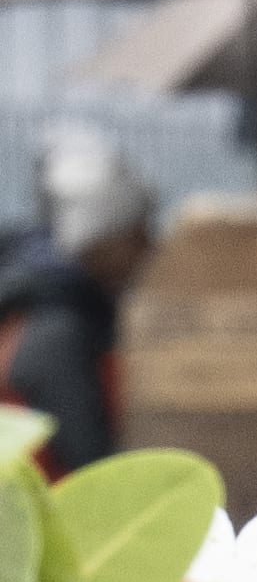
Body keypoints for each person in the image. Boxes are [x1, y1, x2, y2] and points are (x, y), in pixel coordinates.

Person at [0, 124, 155, 473]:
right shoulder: (58, 329)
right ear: (103, 239)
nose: (145, 250)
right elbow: (90, 466)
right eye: (136, 234)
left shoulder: (53, 304)